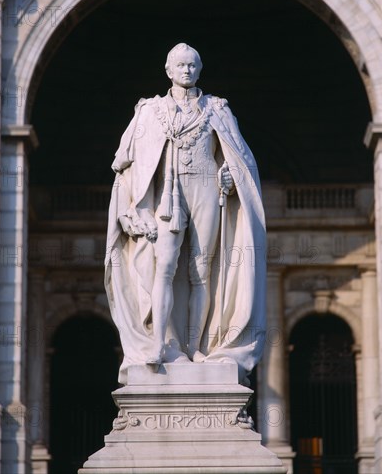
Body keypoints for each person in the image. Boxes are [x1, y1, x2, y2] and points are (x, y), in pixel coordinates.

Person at [105, 43, 267, 384]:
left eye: (192, 65)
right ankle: (160, 345)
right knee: (163, 266)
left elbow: (240, 158)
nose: (187, 71)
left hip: (207, 190)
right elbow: (127, 163)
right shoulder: (149, 110)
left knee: (200, 271)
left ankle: (195, 347)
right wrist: (133, 207)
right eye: (180, 65)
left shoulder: (218, 108)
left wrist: (230, 174)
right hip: (167, 195)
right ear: (168, 70)